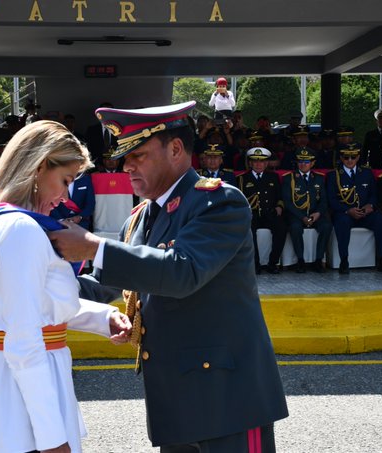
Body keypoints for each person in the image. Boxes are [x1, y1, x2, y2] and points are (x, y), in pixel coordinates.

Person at [50, 101, 288, 452]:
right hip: (175, 402)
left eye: (139, 154)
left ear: (176, 149)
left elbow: (182, 271)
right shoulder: (140, 216)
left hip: (228, 400)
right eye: (124, 154)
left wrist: (92, 247)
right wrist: (41, 281)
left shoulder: (218, 202)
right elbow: (108, 283)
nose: (126, 164)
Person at [0, 120, 130, 453]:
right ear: (39, 167)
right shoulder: (22, 230)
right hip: (25, 400)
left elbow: (34, 306)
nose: (64, 196)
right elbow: (25, 341)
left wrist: (102, 318)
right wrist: (53, 438)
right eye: (64, 181)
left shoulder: (1, 221)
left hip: (8, 386)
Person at [326, 144, 382, 274]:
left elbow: (374, 194)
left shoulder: (366, 173)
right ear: (341, 158)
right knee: (342, 222)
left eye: (353, 157)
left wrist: (370, 206)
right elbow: (331, 200)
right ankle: (344, 260)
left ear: (358, 157)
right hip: (345, 213)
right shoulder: (334, 175)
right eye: (346, 157)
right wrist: (347, 210)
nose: (350, 160)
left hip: (365, 212)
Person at [238, 146, 287, 274]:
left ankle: (273, 263)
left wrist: (279, 207)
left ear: (266, 163)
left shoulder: (273, 177)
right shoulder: (242, 179)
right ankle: (255, 264)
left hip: (270, 213)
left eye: (261, 161)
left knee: (281, 228)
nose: (258, 164)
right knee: (249, 231)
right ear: (250, 163)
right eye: (255, 161)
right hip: (252, 214)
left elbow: (280, 197)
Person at [282, 148, 332, 273]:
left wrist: (318, 213)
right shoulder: (289, 178)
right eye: (300, 161)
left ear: (313, 163)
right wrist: (302, 217)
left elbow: (324, 200)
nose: (303, 164)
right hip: (297, 215)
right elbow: (287, 202)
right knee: (295, 227)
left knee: (326, 226)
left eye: (306, 161)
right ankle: (300, 260)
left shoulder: (319, 178)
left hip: (315, 214)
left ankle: (319, 260)